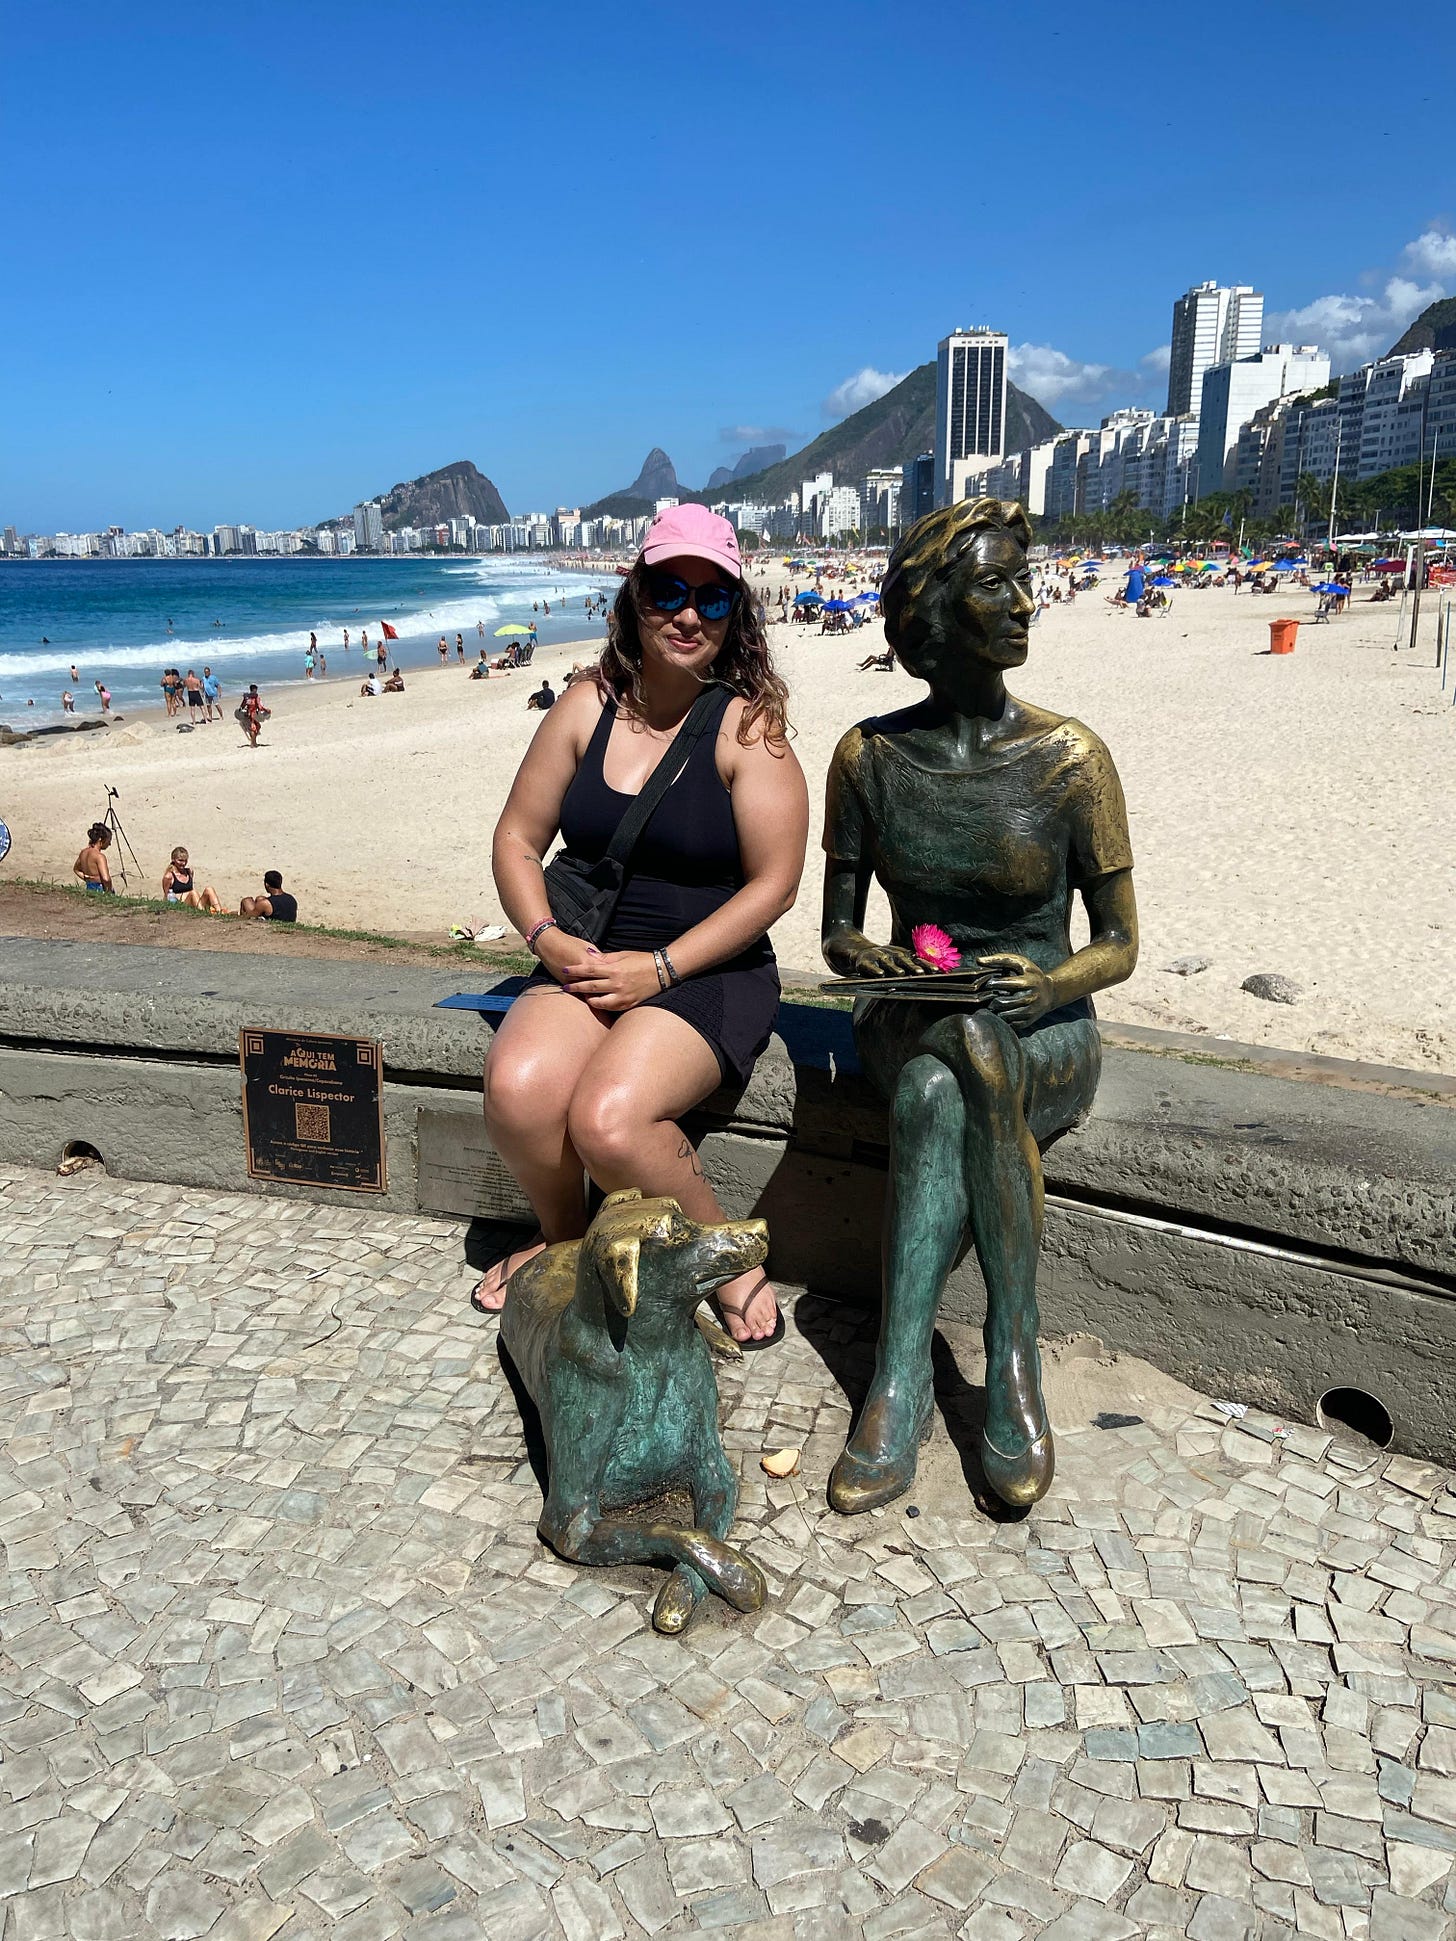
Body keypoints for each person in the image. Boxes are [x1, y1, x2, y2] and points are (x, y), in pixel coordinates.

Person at [821, 498, 1138, 1514]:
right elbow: (837, 934)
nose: (1024, 605)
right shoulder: (867, 758)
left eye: (1023, 582)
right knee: (955, 1052)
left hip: (1045, 1027)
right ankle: (1007, 1359)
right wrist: (873, 959)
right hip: (908, 1013)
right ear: (931, 612)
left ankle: (902, 1376)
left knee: (939, 1091)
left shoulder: (1072, 759)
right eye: (996, 585)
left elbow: (1119, 946)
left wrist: (1048, 985)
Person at [477, 503, 808, 1344]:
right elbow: (516, 840)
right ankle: (564, 1238)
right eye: (669, 591)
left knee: (608, 1119)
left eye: (713, 597)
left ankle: (725, 1256)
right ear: (636, 596)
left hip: (708, 968)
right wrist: (545, 938)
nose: (689, 614)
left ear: (735, 614)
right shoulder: (585, 706)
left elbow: (775, 886)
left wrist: (658, 968)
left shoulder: (747, 727)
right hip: (587, 955)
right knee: (518, 1089)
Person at [162, 846, 222, 912]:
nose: (183, 863)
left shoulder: (189, 872)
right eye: (180, 860)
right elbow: (166, 896)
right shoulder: (169, 877)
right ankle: (202, 913)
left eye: (185, 860)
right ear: (173, 859)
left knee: (209, 889)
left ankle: (219, 912)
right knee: (193, 893)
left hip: (194, 902)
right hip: (181, 905)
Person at [74, 823, 114, 893]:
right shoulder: (99, 857)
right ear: (101, 839)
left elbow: (76, 870)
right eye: (108, 840)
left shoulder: (83, 853)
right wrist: (110, 891)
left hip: (89, 888)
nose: (109, 844)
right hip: (100, 889)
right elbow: (106, 879)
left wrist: (87, 878)